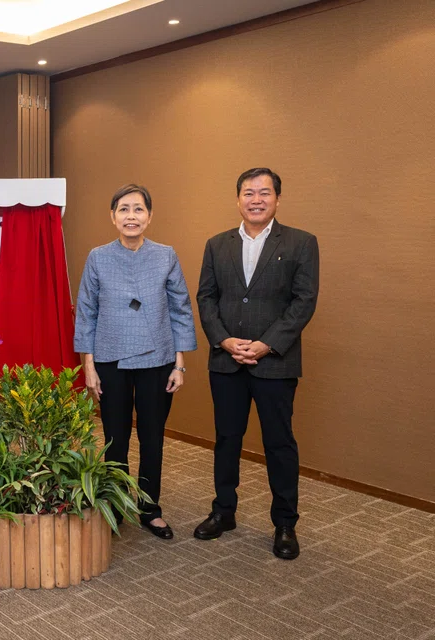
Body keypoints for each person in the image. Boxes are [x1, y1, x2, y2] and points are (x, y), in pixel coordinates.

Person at [194, 167, 319, 560]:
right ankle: (223, 511)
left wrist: (267, 344)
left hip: (275, 364)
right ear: (238, 199)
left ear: (277, 199)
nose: (256, 199)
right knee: (227, 440)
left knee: (279, 443)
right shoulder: (217, 244)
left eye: (265, 192)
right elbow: (206, 298)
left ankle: (285, 523)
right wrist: (223, 339)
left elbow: (304, 302)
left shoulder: (301, 243)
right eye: (249, 193)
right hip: (226, 361)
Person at [74, 184, 197, 539]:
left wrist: (179, 363)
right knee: (115, 437)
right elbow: (86, 312)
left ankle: (149, 508)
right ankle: (115, 505)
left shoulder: (166, 255)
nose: (131, 216)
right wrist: (89, 365)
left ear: (149, 216)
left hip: (158, 360)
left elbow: (180, 308)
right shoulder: (98, 257)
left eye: (138, 209)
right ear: (113, 217)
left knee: (152, 437)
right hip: (110, 358)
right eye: (124, 209)